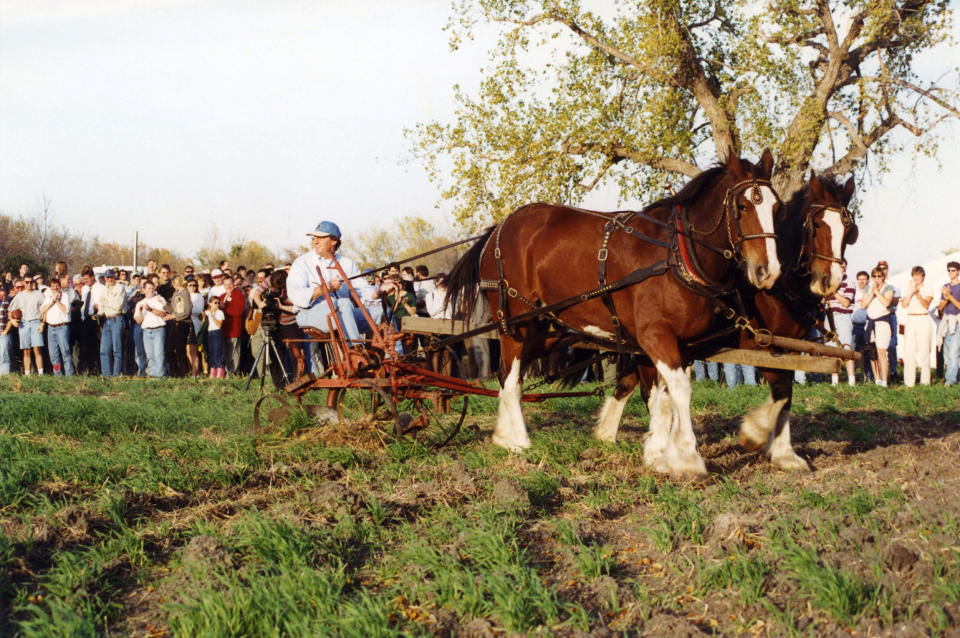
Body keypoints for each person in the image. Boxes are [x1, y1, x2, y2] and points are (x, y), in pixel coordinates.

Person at [287, 221, 381, 345]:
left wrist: (379, 291)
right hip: (309, 315)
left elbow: (362, 290)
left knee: (382, 312)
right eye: (314, 237)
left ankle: (393, 358)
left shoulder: (347, 263)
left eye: (320, 237)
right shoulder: (302, 262)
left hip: (343, 314)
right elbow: (296, 296)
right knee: (343, 304)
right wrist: (324, 288)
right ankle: (356, 350)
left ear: (334, 240)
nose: (315, 241)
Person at [861, 265, 896, 386]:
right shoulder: (868, 288)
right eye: (874, 276)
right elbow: (863, 305)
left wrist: (877, 292)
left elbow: (887, 303)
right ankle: (877, 379)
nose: (877, 278)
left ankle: (884, 380)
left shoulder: (889, 288)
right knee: (872, 353)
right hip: (870, 322)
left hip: (882, 322)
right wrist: (872, 293)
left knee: (882, 352)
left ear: (883, 277)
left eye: (879, 276)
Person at [900, 266, 934, 387]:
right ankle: (909, 382)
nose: (917, 278)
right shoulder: (909, 288)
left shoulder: (928, 288)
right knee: (909, 351)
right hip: (911, 319)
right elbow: (904, 305)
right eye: (914, 275)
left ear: (923, 277)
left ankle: (925, 382)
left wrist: (917, 293)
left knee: (924, 351)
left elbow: (926, 305)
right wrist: (910, 292)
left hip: (923, 318)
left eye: (919, 275)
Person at [826, 259, 856, 386]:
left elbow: (846, 302)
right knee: (832, 350)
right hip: (830, 316)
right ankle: (834, 381)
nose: (842, 269)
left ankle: (851, 380)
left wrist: (833, 292)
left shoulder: (849, 282)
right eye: (840, 267)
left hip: (843, 317)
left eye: (844, 267)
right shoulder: (829, 281)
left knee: (847, 348)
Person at [8, 277, 46, 375]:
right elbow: (10, 309)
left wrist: (42, 323)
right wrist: (12, 320)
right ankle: (27, 374)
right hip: (24, 323)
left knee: (37, 349)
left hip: (36, 322)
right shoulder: (20, 295)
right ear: (24, 283)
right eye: (27, 282)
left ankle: (41, 374)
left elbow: (45, 309)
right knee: (26, 350)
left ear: (33, 282)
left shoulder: (38, 294)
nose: (29, 284)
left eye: (31, 282)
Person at [134, 281, 171, 378]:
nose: (151, 290)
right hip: (146, 331)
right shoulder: (140, 303)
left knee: (159, 353)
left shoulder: (159, 299)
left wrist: (150, 309)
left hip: (158, 329)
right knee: (150, 355)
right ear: (144, 290)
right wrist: (141, 311)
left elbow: (163, 314)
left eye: (152, 288)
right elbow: (138, 321)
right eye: (148, 288)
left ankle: (160, 375)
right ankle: (152, 374)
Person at [40, 277, 74, 376]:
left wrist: (57, 301)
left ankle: (69, 376)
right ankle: (57, 375)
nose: (55, 287)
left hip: (62, 328)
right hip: (51, 328)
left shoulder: (65, 296)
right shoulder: (48, 297)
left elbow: (66, 310)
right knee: (54, 356)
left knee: (65, 353)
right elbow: (42, 310)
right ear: (50, 287)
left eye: (57, 285)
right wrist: (52, 301)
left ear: (59, 286)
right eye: (53, 285)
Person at [98, 269, 127, 377]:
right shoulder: (104, 289)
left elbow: (117, 305)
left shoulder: (120, 288)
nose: (109, 279)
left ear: (115, 277)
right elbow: (100, 305)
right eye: (107, 277)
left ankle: (116, 375)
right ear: (105, 278)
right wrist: (99, 312)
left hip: (117, 319)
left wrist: (106, 302)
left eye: (111, 277)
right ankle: (106, 375)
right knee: (104, 350)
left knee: (117, 350)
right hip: (107, 320)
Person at [937, 261, 960, 386]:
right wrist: (946, 298)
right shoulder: (945, 286)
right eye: (949, 270)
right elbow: (940, 308)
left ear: (958, 272)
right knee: (947, 352)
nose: (950, 272)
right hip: (947, 320)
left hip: (958, 320)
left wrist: (950, 296)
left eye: (953, 270)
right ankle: (952, 376)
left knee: (954, 351)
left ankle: (950, 380)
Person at [167, 276, 194, 377]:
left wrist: (173, 316)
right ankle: (177, 372)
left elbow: (186, 312)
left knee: (180, 350)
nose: (172, 285)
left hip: (183, 323)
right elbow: (172, 309)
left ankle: (184, 373)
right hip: (175, 323)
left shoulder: (185, 293)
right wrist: (164, 304)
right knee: (169, 349)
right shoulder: (175, 293)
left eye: (173, 283)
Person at [219, 276, 245, 375]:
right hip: (224, 329)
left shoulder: (239, 295)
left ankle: (234, 373)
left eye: (230, 284)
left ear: (233, 284)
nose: (228, 286)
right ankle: (228, 371)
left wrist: (224, 308)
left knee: (234, 352)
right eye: (226, 284)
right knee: (226, 352)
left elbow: (238, 312)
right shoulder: (221, 296)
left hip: (234, 328)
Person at [851, 269, 871, 381]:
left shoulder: (870, 292)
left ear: (868, 280)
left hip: (867, 325)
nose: (862, 281)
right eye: (860, 279)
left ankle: (868, 377)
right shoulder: (854, 292)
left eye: (864, 279)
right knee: (853, 352)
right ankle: (852, 376)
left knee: (868, 352)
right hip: (855, 326)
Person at [205, 296, 225, 378]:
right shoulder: (207, 312)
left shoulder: (220, 312)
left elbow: (219, 325)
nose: (217, 304)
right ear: (210, 303)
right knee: (212, 352)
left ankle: (220, 371)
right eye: (215, 303)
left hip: (217, 333)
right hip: (210, 333)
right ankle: (213, 371)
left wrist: (212, 316)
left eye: (218, 303)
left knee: (217, 352)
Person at [0, 286, 12, 375]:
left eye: (2, 290)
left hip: (4, 332)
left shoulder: (7, 303)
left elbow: (10, 319)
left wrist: (6, 331)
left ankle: (5, 376)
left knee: (4, 354)